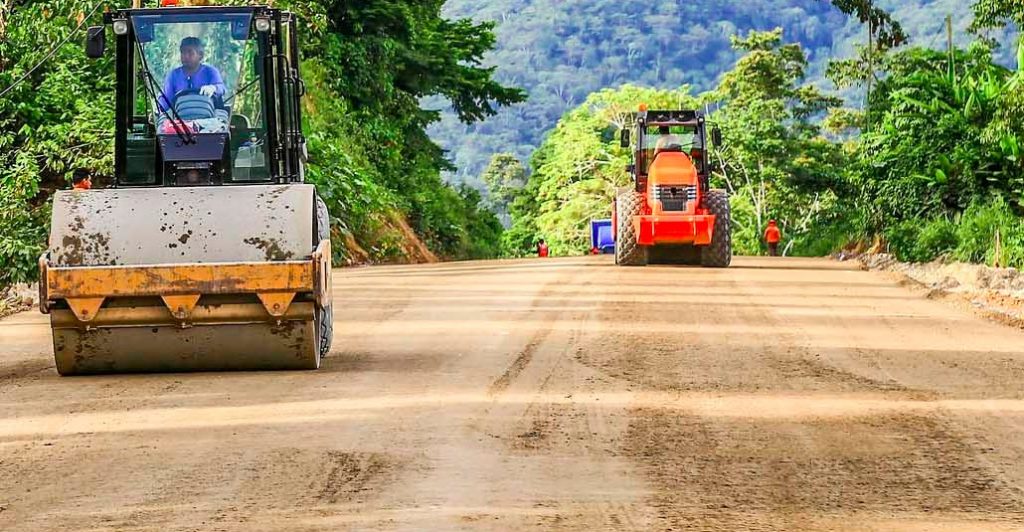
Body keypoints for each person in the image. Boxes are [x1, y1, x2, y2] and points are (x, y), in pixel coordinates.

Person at [159, 37, 225, 112]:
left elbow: (221, 88)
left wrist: (213, 88)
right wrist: (160, 107)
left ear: (200, 55)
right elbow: (165, 102)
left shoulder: (210, 72)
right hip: (179, 120)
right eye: (183, 52)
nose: (185, 56)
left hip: (208, 118)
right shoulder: (173, 75)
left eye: (190, 52)